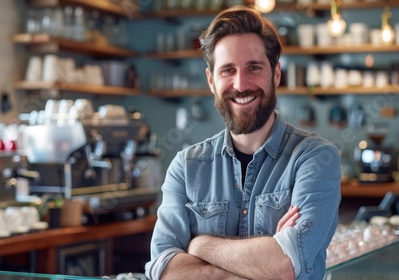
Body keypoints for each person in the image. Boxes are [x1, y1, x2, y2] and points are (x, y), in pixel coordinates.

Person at [145, 6, 341, 280]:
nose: (240, 84)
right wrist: (262, 260)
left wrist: (199, 245)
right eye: (228, 70)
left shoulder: (315, 157)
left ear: (275, 74)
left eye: (253, 68)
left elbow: (284, 265)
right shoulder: (186, 167)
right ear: (211, 81)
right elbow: (164, 268)